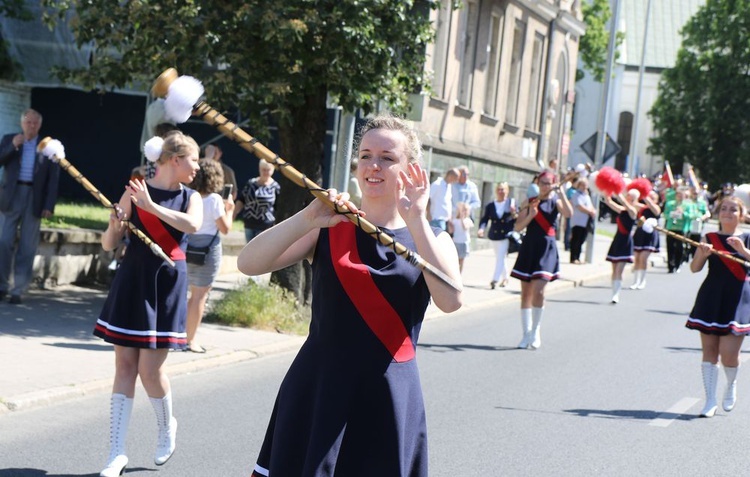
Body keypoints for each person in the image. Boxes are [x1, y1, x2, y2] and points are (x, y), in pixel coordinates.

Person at [238, 115, 462, 477]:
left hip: (389, 393)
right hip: (319, 387)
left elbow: (451, 301)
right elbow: (249, 263)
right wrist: (307, 218)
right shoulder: (330, 226)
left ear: (411, 170)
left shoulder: (434, 238)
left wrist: (417, 221)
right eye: (365, 155)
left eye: (387, 158)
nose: (373, 166)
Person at [94, 131, 202, 476]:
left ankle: (167, 427)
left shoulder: (191, 197)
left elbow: (193, 225)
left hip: (167, 280)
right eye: (194, 160)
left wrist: (150, 208)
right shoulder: (134, 189)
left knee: (150, 371)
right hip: (132, 279)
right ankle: (115, 453)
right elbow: (109, 244)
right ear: (175, 160)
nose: (198, 167)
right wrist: (115, 223)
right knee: (124, 367)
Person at [685, 196, 750, 418]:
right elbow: (695, 269)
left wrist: (743, 251)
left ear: (741, 215)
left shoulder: (748, 237)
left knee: (729, 354)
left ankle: (731, 383)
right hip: (711, 297)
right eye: (724, 208)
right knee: (710, 350)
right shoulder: (709, 237)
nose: (728, 213)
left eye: (734, 209)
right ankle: (710, 400)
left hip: (738, 298)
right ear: (718, 212)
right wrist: (702, 254)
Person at [0, 109, 60, 304]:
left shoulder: (47, 146)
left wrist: (49, 205)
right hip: (12, 195)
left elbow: (53, 179)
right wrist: (12, 147)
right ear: (22, 123)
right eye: (28, 122)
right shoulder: (10, 139)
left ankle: (18, 289)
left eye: (35, 123)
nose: (31, 126)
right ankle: (2, 285)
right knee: (4, 241)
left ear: (39, 125)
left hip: (35, 197)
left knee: (27, 245)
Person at [511, 171, 573, 349]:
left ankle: (535, 331)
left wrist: (561, 192)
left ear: (553, 184)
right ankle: (526, 334)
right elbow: (518, 226)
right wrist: (531, 214)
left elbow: (568, 214)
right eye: (542, 182)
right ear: (538, 183)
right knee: (526, 293)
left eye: (548, 183)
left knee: (539, 291)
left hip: (547, 248)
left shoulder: (556, 201)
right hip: (530, 247)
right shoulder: (530, 201)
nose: (545, 185)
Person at [185, 159, 235, 354]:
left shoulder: (190, 196)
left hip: (189, 245)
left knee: (189, 295)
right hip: (208, 249)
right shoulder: (214, 199)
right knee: (199, 297)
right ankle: (190, 341)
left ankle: (181, 336)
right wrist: (229, 210)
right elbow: (225, 228)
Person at [602, 190, 640, 303]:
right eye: (629, 197)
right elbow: (608, 202)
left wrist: (620, 196)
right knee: (614, 270)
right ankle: (613, 292)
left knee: (619, 270)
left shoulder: (633, 211)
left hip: (626, 242)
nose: (630, 200)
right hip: (617, 240)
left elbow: (627, 206)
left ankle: (616, 295)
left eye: (632, 199)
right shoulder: (622, 210)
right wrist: (606, 191)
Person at [477, 182, 517, 288]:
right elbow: (485, 218)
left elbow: (517, 218)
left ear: (507, 191)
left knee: (500, 257)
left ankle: (495, 279)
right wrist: (481, 228)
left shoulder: (511, 203)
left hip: (505, 235)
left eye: (503, 189)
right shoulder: (491, 206)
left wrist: (514, 213)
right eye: (499, 189)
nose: (501, 192)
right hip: (494, 235)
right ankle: (505, 278)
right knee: (500, 257)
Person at [235, 159, 281, 242]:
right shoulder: (251, 183)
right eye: (263, 169)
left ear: (273, 171)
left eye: (268, 170)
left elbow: (278, 206)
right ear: (259, 169)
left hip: (266, 225)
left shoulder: (275, 186)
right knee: (249, 250)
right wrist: (233, 213)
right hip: (249, 224)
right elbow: (241, 200)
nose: (266, 172)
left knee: (262, 251)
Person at [630, 190, 661, 289]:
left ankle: (642, 281)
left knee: (643, 258)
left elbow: (655, 210)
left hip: (650, 235)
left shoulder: (656, 208)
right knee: (637, 259)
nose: (650, 199)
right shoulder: (643, 208)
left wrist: (646, 196)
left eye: (653, 198)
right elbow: (632, 204)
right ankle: (635, 281)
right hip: (639, 234)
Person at [663, 188, 696, 273]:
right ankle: (670, 266)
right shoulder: (670, 204)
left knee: (679, 247)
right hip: (671, 227)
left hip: (681, 228)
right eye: (678, 195)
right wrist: (672, 214)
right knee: (670, 247)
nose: (680, 197)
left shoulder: (688, 205)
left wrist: (683, 213)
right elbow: (665, 214)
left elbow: (691, 216)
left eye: (682, 195)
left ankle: (677, 264)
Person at [568, 178, 596, 264]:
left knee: (581, 240)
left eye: (585, 185)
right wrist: (590, 211)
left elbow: (590, 205)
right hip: (578, 221)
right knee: (576, 240)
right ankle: (573, 258)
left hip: (585, 222)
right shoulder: (576, 195)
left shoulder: (586, 196)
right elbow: (579, 207)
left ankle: (578, 257)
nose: (584, 187)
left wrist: (593, 211)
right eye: (583, 185)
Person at [448, 201, 473, 272]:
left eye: (465, 210)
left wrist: (462, 219)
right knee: (455, 259)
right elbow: (451, 231)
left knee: (461, 260)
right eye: (462, 210)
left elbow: (465, 227)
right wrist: (450, 223)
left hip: (464, 242)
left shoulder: (468, 220)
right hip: (456, 241)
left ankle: (460, 274)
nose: (463, 212)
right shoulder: (455, 220)